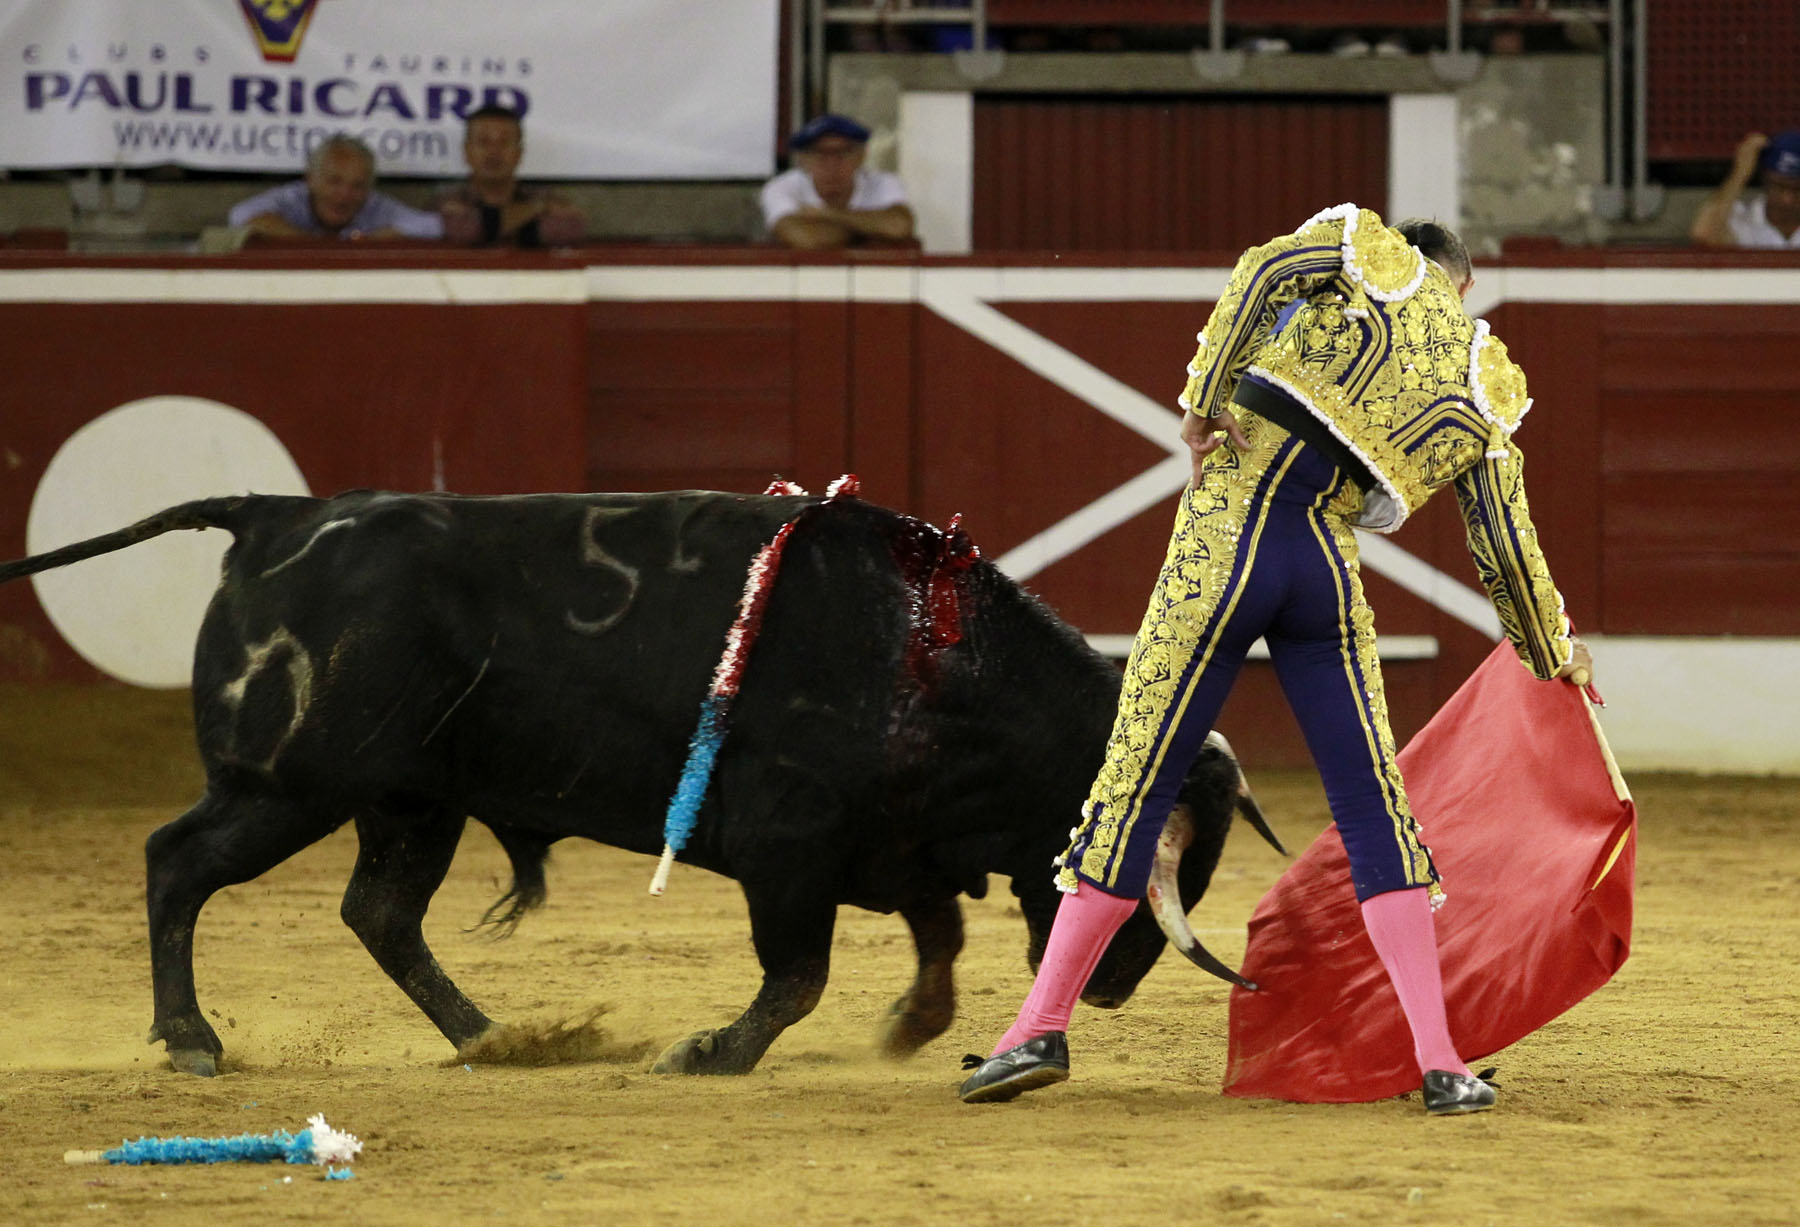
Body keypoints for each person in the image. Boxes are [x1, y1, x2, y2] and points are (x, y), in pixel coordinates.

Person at [957, 205, 1595, 1114]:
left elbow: (1261, 272)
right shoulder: (1479, 381)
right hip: (1325, 572)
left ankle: (1038, 1028)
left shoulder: (1364, 256)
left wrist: (1204, 402)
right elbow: (1501, 536)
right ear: (1468, 285)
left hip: (1228, 539)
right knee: (1379, 811)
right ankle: (1441, 1060)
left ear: (1410, 258)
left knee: (1135, 783)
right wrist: (1552, 649)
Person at [228, 135, 444, 241]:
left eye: (358, 185)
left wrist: (374, 240)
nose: (344, 196)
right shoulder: (292, 198)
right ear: (310, 178)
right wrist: (315, 246)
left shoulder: (375, 205)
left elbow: (433, 225)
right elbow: (241, 214)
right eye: (334, 182)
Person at [437, 104, 586, 247]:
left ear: (519, 153)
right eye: (483, 142)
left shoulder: (547, 198)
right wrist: (536, 209)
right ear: (466, 151)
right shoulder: (445, 204)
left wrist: (493, 227)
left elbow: (571, 227)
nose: (494, 153)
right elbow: (463, 230)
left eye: (504, 142)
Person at [760, 114, 914, 250]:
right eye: (821, 154)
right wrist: (873, 230)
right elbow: (806, 239)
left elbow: (899, 226)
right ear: (803, 162)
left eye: (843, 153)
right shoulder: (781, 187)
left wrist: (826, 214)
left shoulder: (883, 182)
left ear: (861, 157)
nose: (832, 165)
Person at [1690, 130, 1800, 248]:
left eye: (1797, 189)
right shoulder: (1743, 217)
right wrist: (1740, 172)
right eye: (1779, 186)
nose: (1787, 199)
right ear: (1765, 179)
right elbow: (1703, 234)